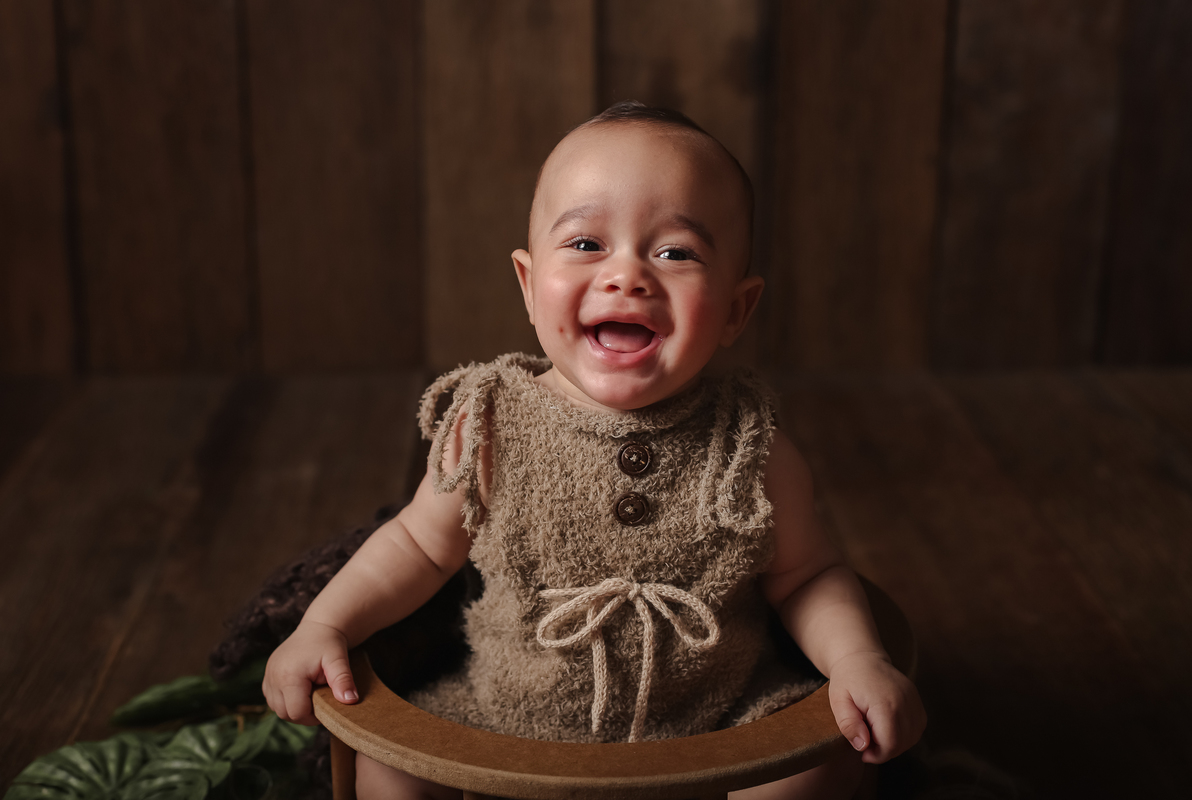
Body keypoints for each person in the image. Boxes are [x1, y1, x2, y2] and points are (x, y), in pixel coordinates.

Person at [263, 101, 926, 799]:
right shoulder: (490, 426)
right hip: (508, 725)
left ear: (735, 309)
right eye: (585, 244)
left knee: (822, 761)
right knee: (390, 765)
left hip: (714, 727)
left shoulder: (747, 450)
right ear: (528, 286)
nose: (627, 275)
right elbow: (417, 547)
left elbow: (806, 576)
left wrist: (857, 659)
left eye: (676, 252)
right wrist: (324, 624)